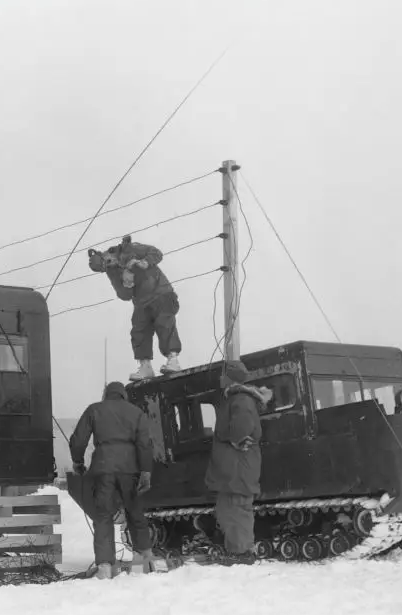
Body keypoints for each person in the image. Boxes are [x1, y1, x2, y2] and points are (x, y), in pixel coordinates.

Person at [68, 381, 165, 579]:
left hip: (103, 468)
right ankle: (145, 558)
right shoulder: (136, 412)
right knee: (135, 513)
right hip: (131, 469)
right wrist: (146, 471)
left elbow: (78, 440)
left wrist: (78, 463)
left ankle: (104, 566)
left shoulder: (94, 409)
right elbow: (145, 444)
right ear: (124, 395)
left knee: (103, 515)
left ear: (106, 394)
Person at [204, 361, 272, 566]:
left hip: (237, 467)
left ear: (229, 377)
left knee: (236, 509)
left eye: (223, 375)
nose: (220, 379)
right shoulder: (240, 398)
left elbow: (242, 425)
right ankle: (238, 550)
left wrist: (236, 437)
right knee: (231, 509)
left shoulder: (240, 400)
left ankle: (241, 553)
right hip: (235, 467)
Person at [88, 235, 182, 381]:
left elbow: (156, 253)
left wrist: (144, 262)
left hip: (160, 293)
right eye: (105, 266)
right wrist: (125, 283)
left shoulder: (130, 249)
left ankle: (173, 360)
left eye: (107, 261)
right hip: (141, 302)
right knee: (139, 330)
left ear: (106, 254)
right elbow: (124, 295)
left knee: (164, 323)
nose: (109, 264)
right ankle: (145, 367)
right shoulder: (112, 271)